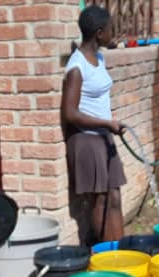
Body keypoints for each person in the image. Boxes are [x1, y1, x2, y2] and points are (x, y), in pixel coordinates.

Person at [61, 6, 127, 246]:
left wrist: (108, 124)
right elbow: (70, 113)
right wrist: (106, 123)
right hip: (87, 140)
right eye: (110, 29)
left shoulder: (99, 58)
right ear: (99, 33)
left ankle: (122, 251)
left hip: (103, 136)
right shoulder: (77, 67)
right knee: (101, 200)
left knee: (114, 197)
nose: (113, 33)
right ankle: (106, 254)